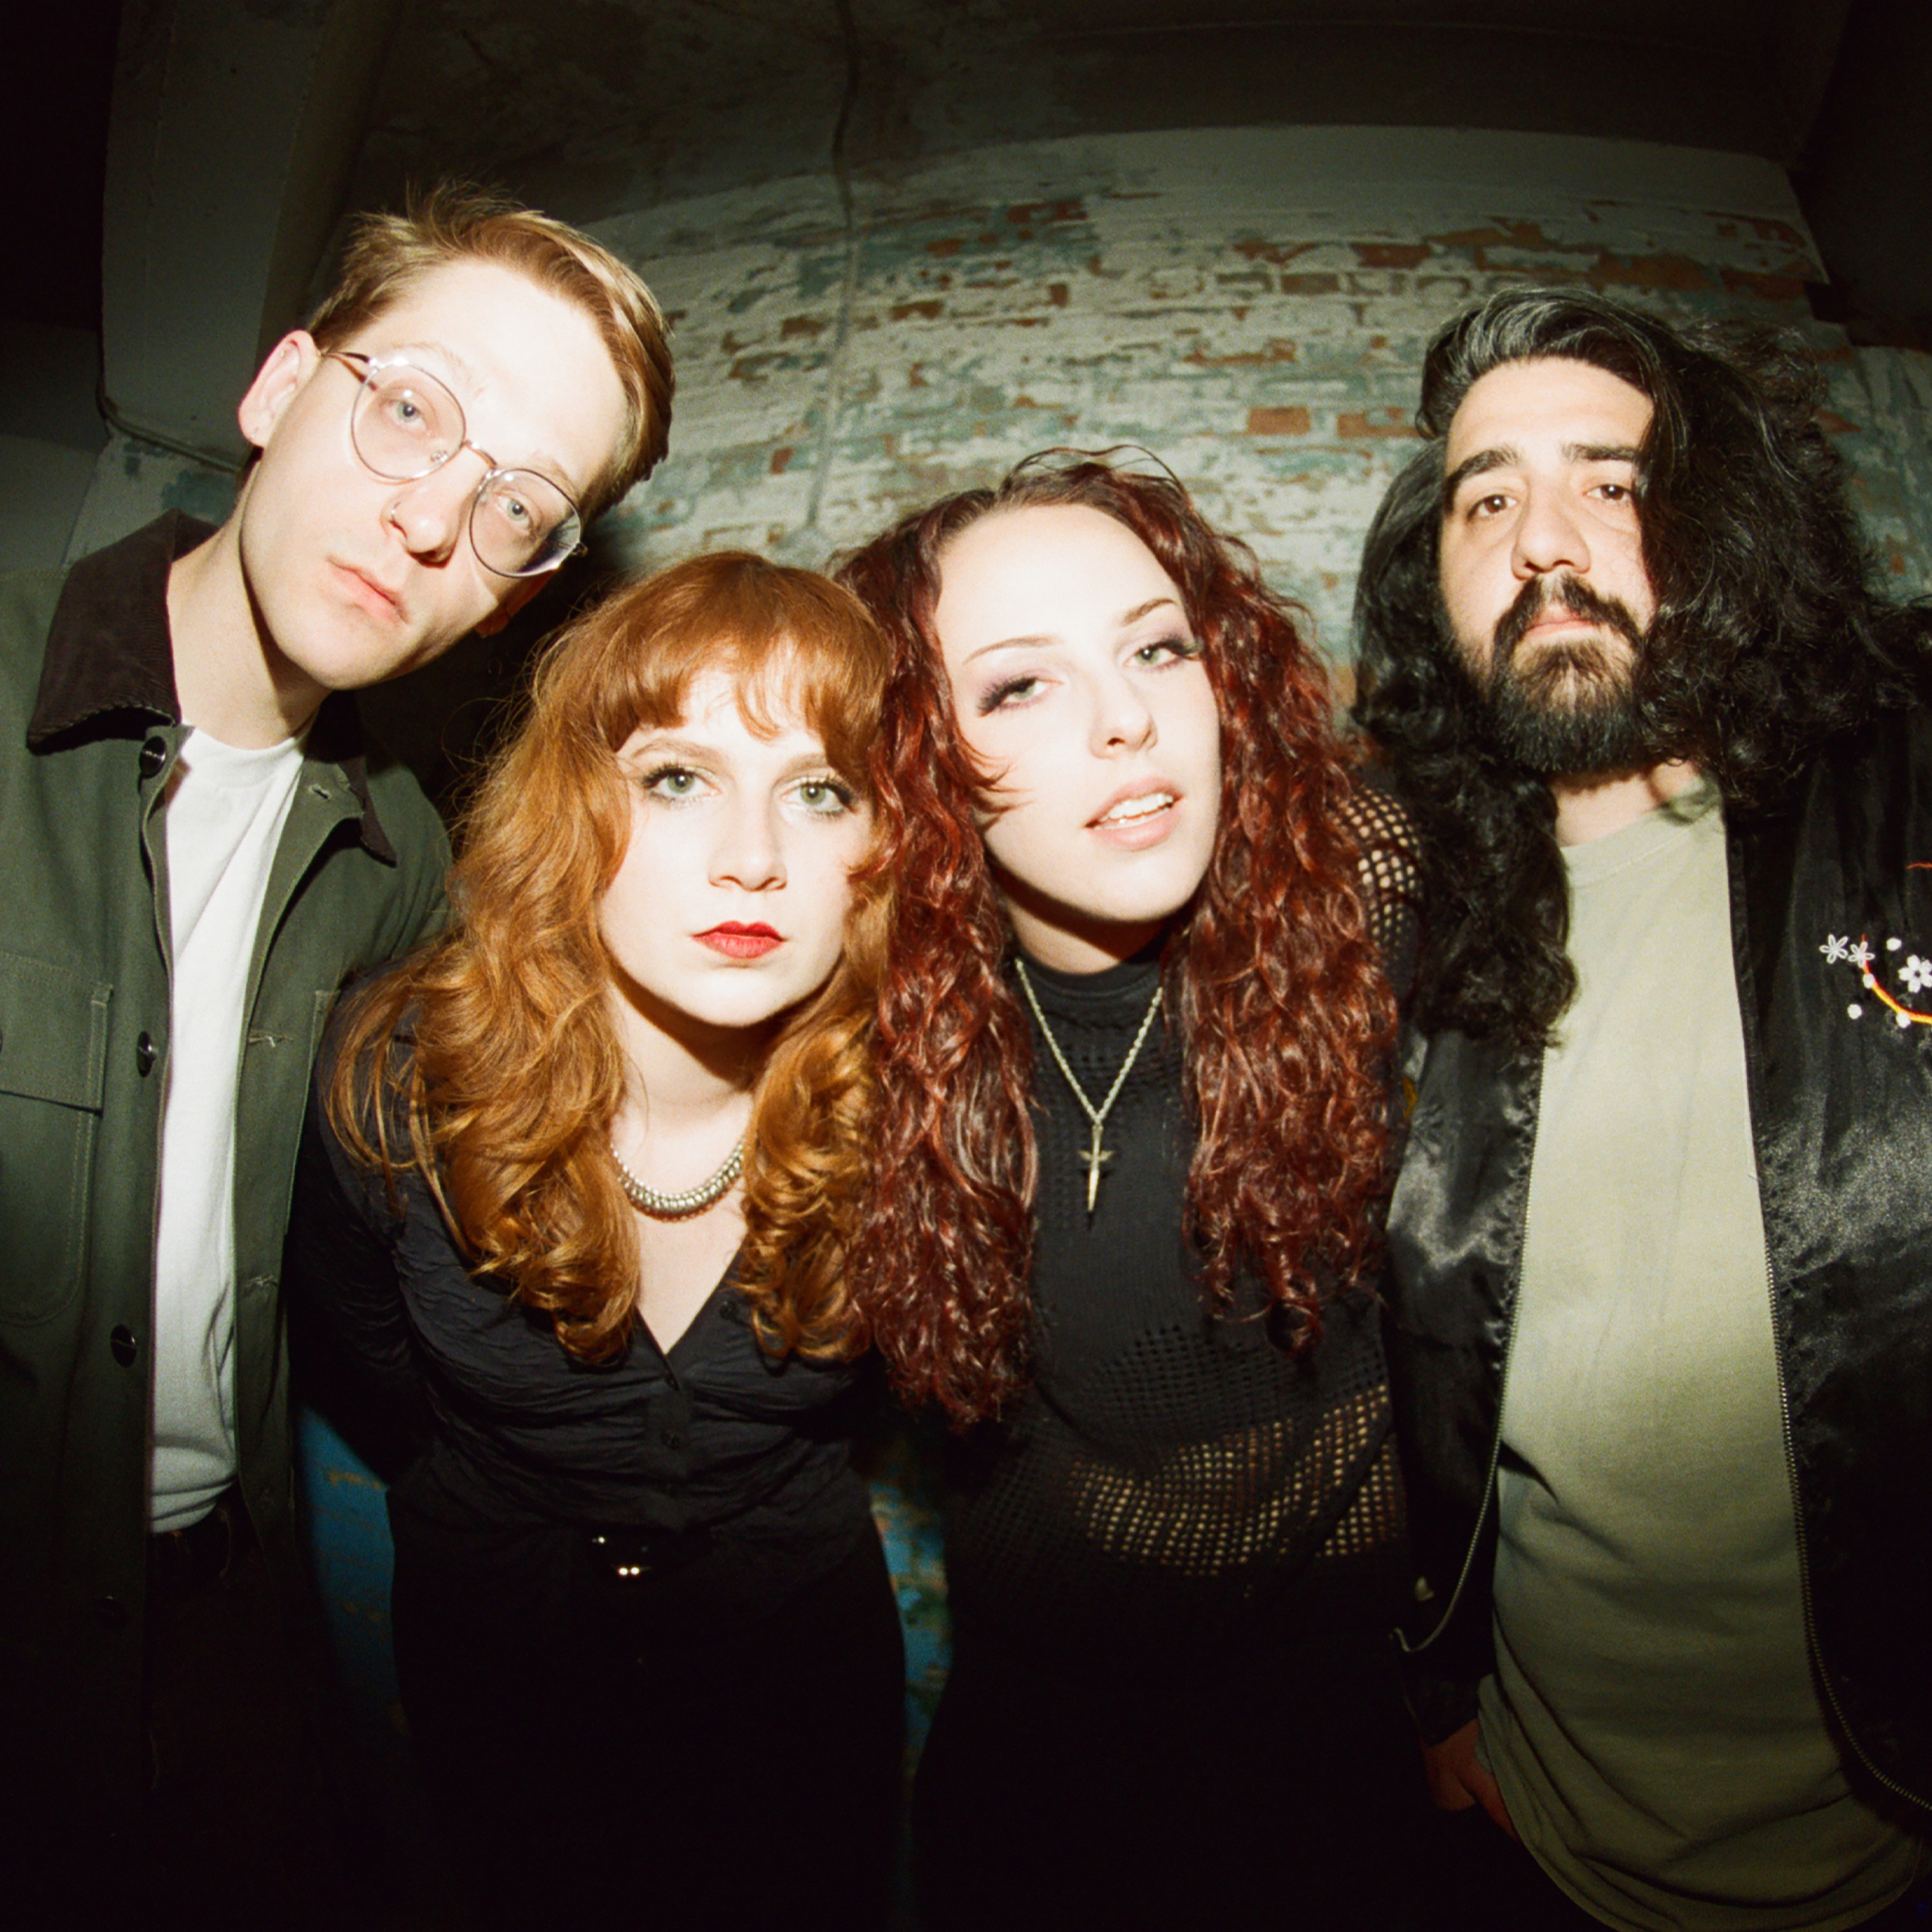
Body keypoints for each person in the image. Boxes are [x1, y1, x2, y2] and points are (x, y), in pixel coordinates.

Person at [0, 183, 673, 1925]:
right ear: (280, 385)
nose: (432, 516)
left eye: (515, 505)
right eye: (412, 408)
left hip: (226, 1631)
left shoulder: (402, 870)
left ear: (521, 591)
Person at [1353, 287, 1932, 1927]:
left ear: (1722, 523)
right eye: (1485, 502)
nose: (1543, 540)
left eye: (1611, 481)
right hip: (1532, 1841)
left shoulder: (1898, 796)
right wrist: (1434, 1691)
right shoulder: (1411, 918)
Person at [839, 452, 1426, 1930]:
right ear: (918, 759)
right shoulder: (876, 1027)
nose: (1126, 719)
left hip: (1343, 1726)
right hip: (1040, 1744)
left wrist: (1466, 1665)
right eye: (1019, 686)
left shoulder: (1368, 899)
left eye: (1158, 648)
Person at [286, 552, 905, 1932]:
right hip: (498, 1656)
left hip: (800, 1667)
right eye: (679, 777)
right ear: (577, 804)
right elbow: (364, 1360)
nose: (753, 857)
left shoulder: (924, 1116)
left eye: (820, 791)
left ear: (882, 851)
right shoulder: (397, 1082)